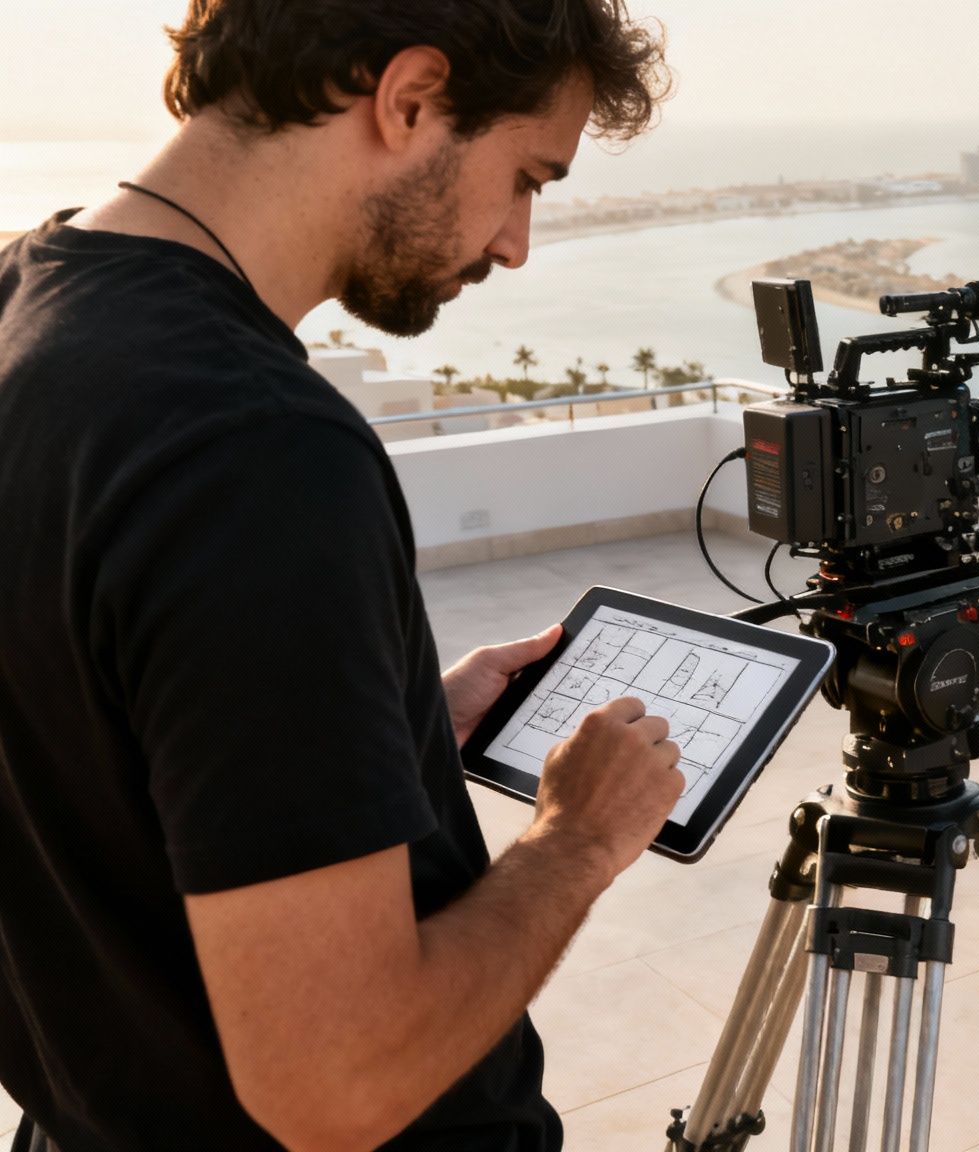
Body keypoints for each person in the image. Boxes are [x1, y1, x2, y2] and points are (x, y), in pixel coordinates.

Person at [0, 3, 683, 1149]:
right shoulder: (252, 446)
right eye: (526, 176)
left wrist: (387, 726)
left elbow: (91, 727)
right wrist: (577, 840)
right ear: (410, 98)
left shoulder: (25, 306)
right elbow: (337, 1085)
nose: (516, 242)